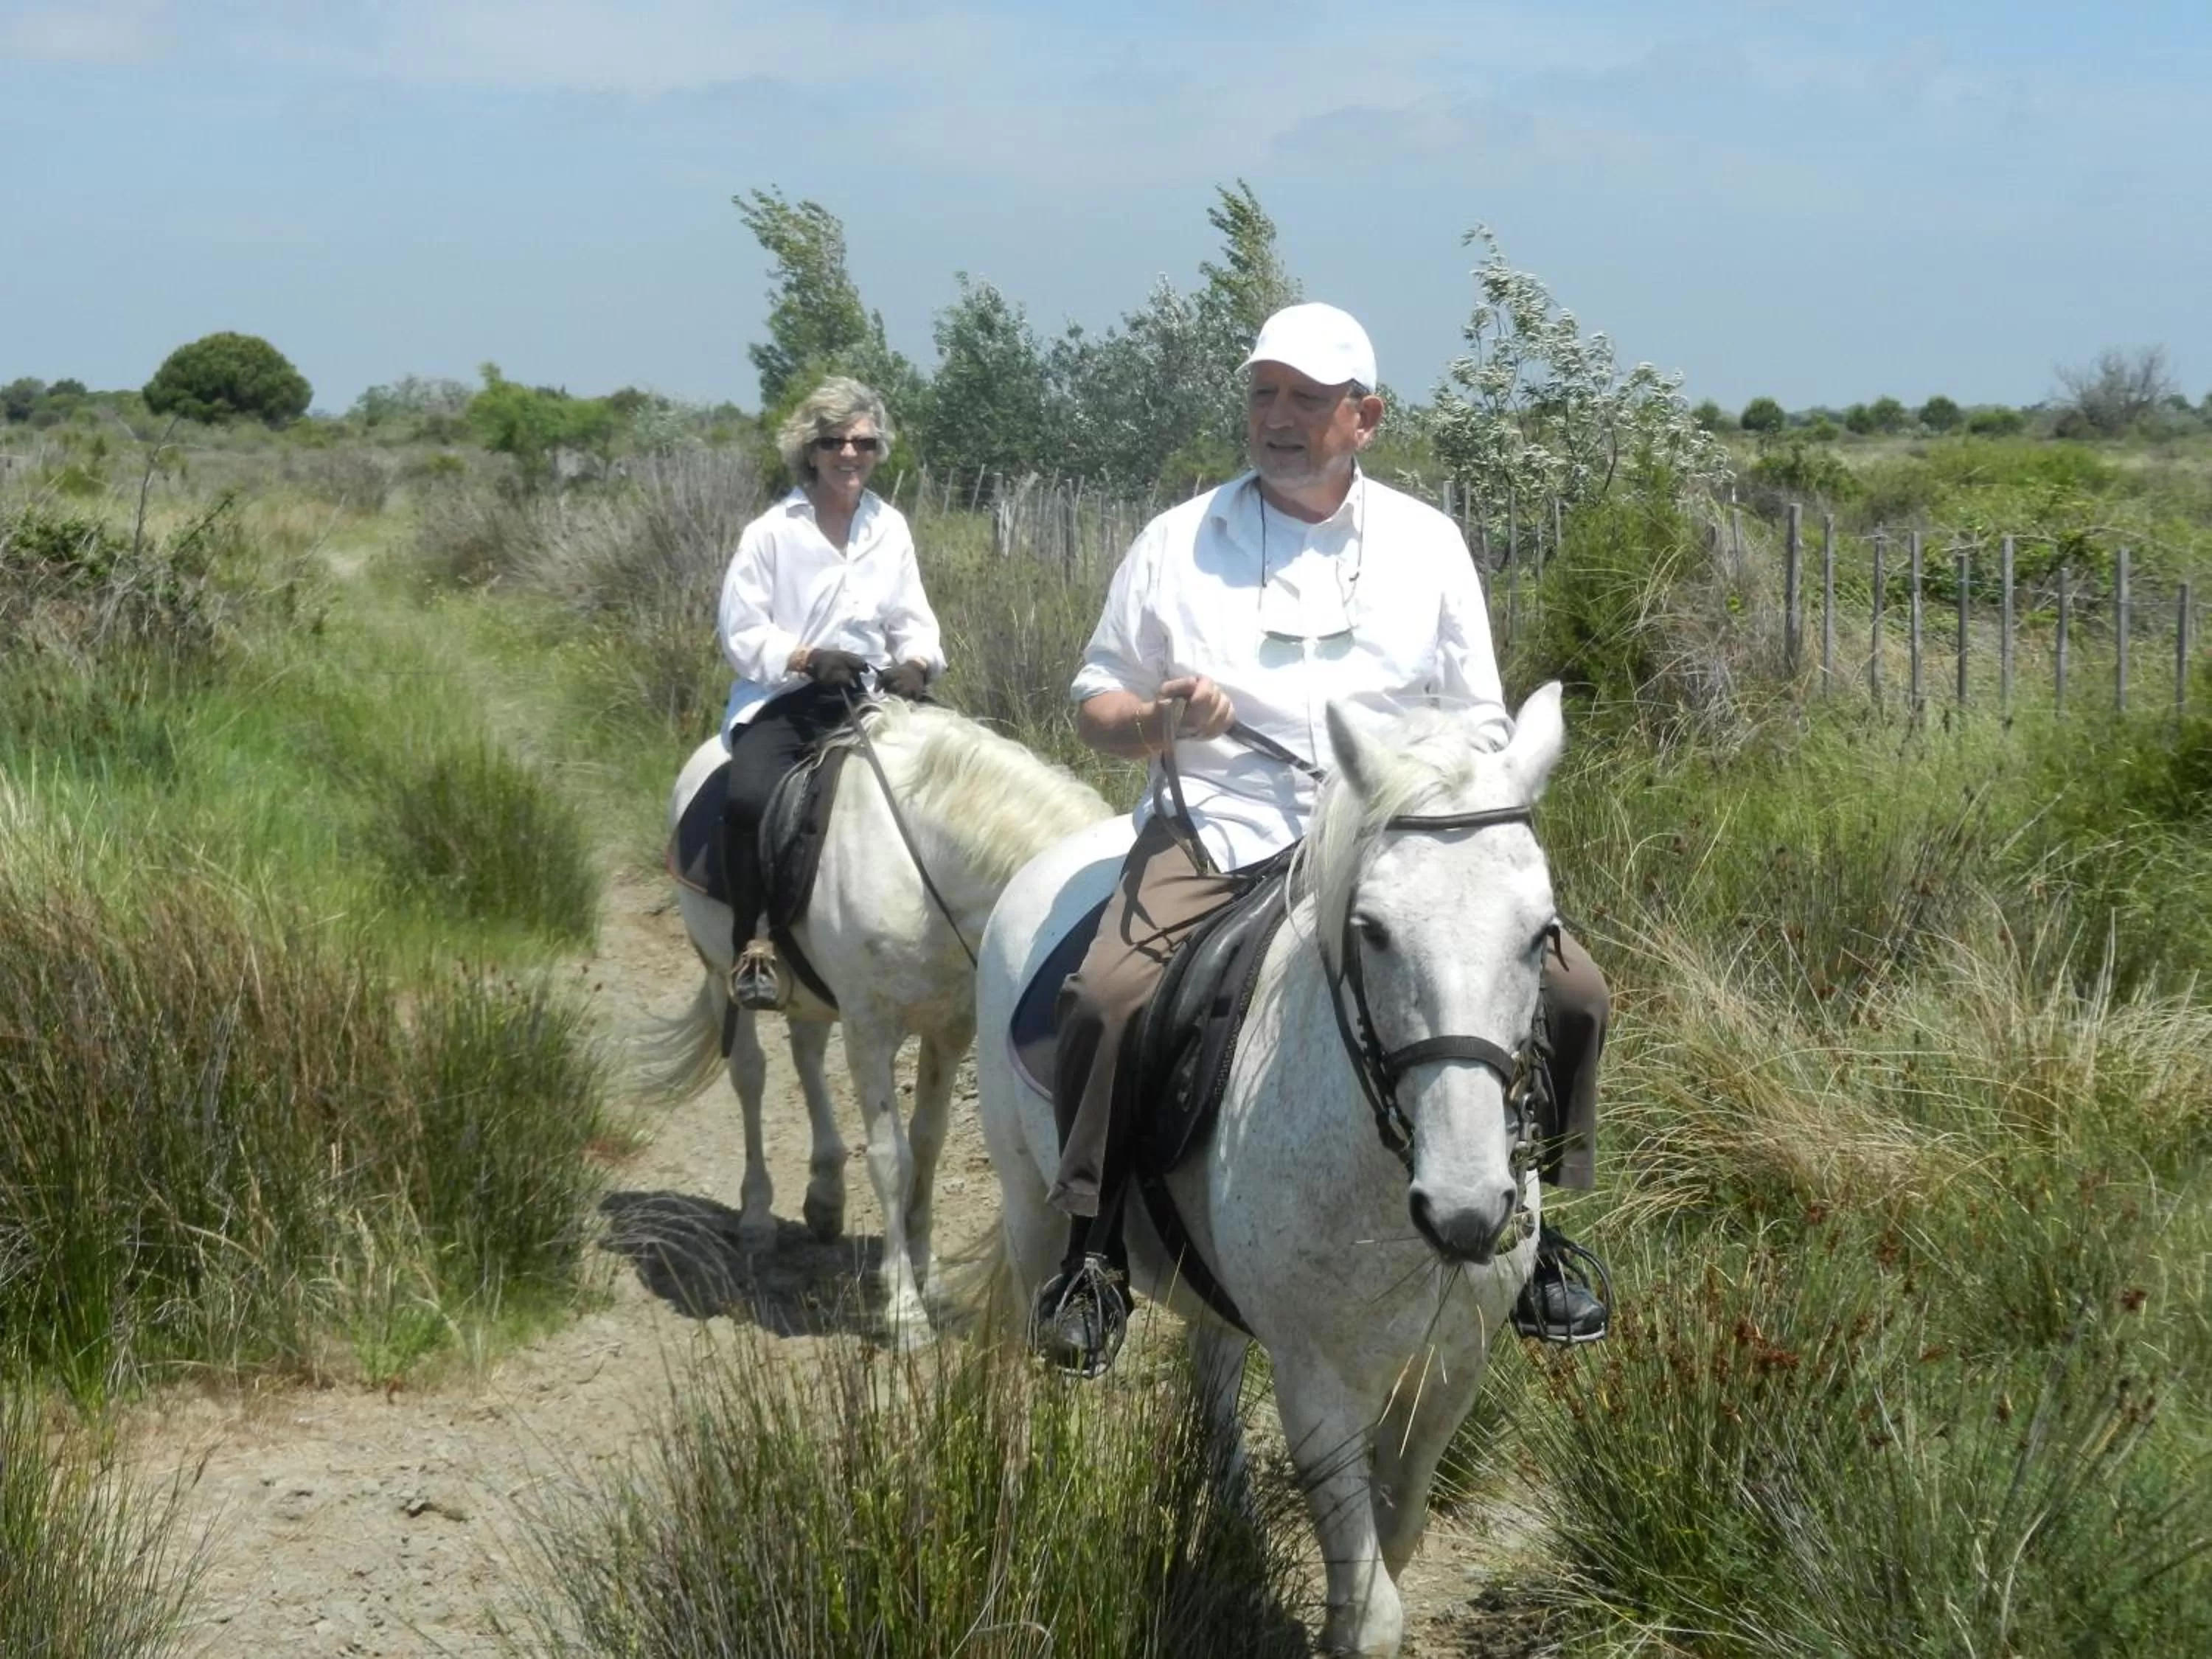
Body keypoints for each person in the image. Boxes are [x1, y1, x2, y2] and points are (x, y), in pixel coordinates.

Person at [1032, 303, 1610, 1375]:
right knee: (1107, 998)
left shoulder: (1426, 542)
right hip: (1223, 826)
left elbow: (1481, 715)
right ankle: (1094, 1246)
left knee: (1575, 992)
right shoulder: (1176, 540)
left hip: (1397, 842)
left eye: (1307, 399)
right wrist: (1163, 721)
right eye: (1263, 394)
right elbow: (1092, 703)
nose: (1279, 418)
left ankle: (1540, 1227)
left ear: (1366, 416)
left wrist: (1434, 777)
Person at [717, 375, 944, 1011]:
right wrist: (806, 657)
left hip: (874, 694)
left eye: (864, 443)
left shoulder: (889, 527)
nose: (851, 455)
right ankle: (753, 945)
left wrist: (918, 664)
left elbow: (913, 618)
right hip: (790, 698)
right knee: (747, 799)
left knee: (958, 778)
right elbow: (741, 631)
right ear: (810, 451)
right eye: (835, 442)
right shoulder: (771, 533)